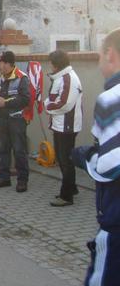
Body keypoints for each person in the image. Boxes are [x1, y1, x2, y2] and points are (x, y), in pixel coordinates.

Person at [72, 28, 120, 286]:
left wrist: (86, 156)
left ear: (110, 54)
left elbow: (110, 166)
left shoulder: (111, 98)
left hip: (116, 223)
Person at [43, 50, 82, 207]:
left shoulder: (68, 78)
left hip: (67, 125)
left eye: (51, 63)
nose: (50, 66)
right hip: (60, 125)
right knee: (63, 159)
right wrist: (49, 104)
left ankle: (66, 197)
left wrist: (47, 107)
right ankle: (71, 188)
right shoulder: (61, 77)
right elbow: (54, 98)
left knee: (65, 160)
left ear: (57, 64)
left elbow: (65, 103)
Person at [0, 50, 31, 193]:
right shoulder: (1, 78)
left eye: (0, 63)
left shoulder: (22, 78)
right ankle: (4, 178)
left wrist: (5, 103)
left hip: (17, 120)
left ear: (7, 63)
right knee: (4, 150)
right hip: (3, 119)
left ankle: (22, 181)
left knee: (19, 151)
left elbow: (25, 99)